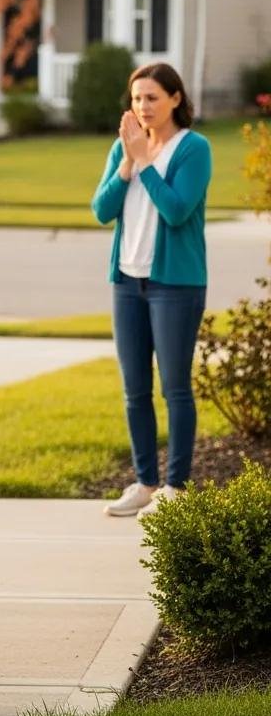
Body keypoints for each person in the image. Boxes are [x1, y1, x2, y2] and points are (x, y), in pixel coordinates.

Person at [91, 62, 211, 518]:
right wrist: (127, 163)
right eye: (137, 98)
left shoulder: (193, 148)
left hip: (176, 285)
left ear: (176, 99)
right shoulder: (125, 147)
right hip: (127, 281)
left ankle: (176, 487)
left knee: (175, 388)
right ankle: (144, 483)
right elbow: (102, 210)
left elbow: (177, 211)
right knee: (134, 390)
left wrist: (144, 161)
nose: (143, 106)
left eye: (152, 98)